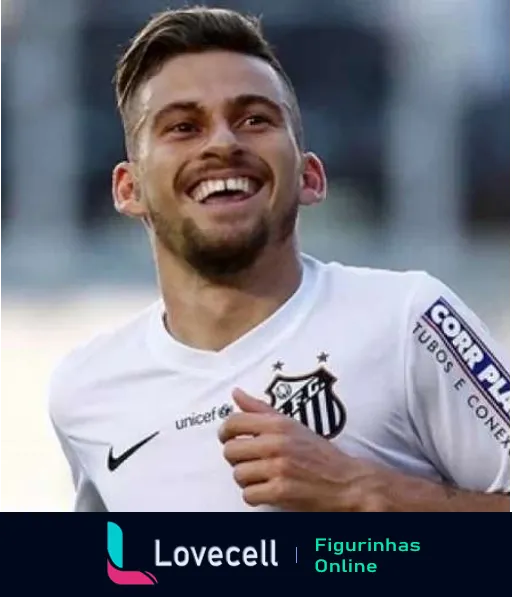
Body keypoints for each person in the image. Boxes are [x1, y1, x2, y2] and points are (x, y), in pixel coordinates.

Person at [48, 7, 510, 512]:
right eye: (183, 126)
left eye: (254, 120)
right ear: (128, 189)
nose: (223, 142)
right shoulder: (86, 390)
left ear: (310, 177)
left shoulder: (406, 320)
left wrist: (367, 492)